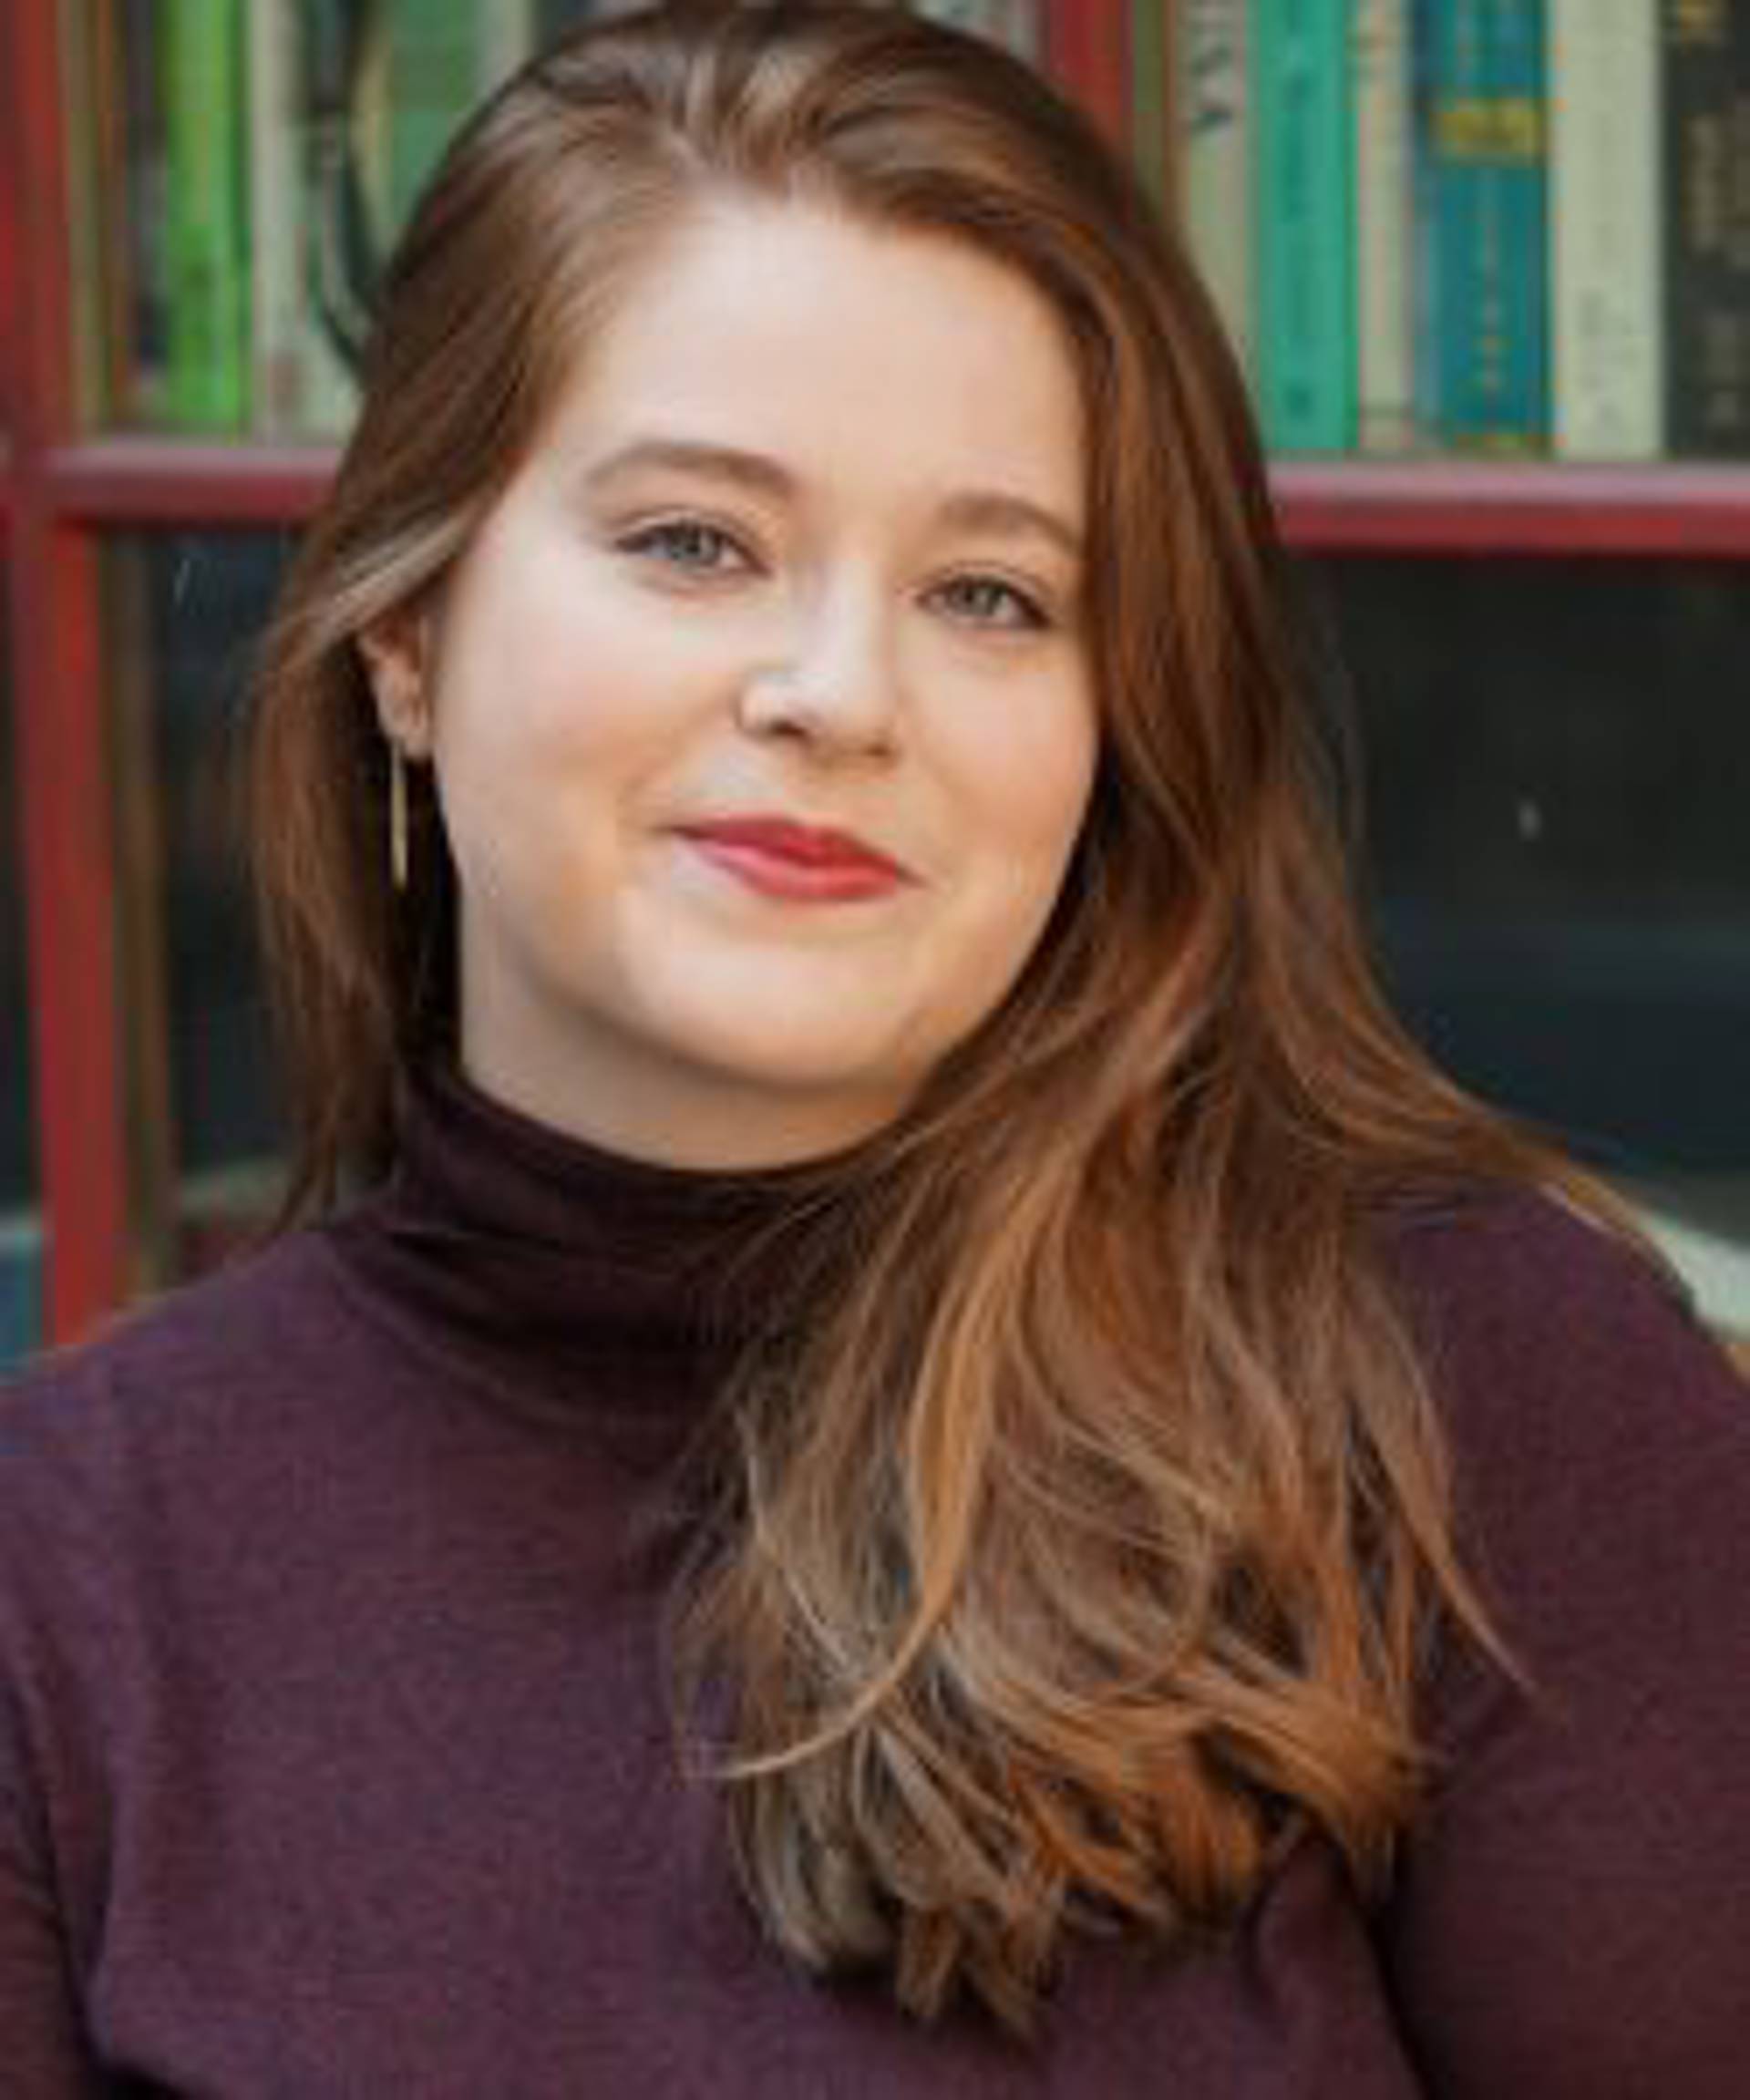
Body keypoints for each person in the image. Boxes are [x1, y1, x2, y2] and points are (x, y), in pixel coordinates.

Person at [3, 6, 1746, 2093]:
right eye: (694, 543)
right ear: (407, 633)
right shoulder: (65, 1576)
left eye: (991, 595)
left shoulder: (1475, 1399)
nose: (839, 691)